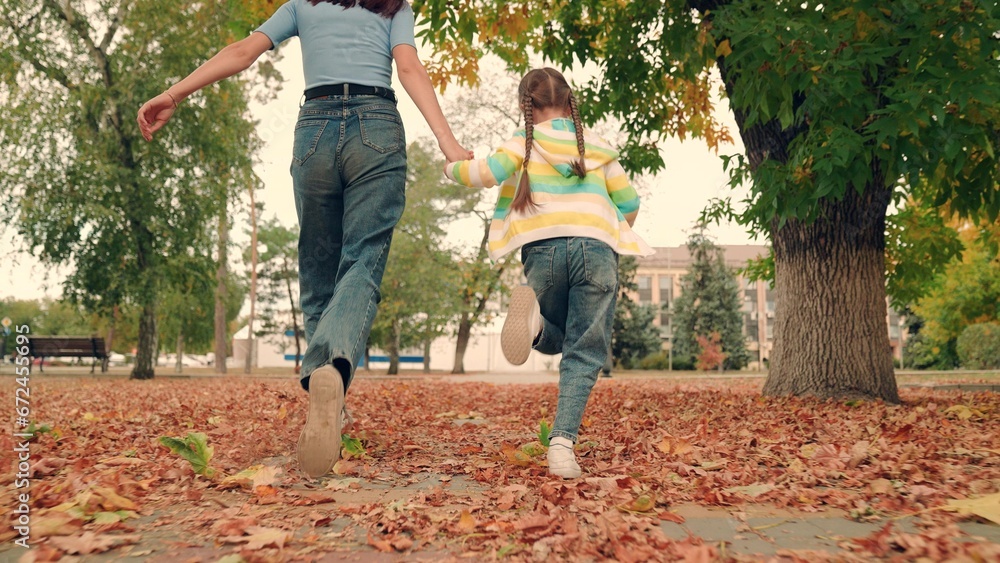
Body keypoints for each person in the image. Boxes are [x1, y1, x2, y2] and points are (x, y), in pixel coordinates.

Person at [137, 0, 470, 479]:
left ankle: (325, 387)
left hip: (314, 127)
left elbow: (242, 51)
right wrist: (448, 143)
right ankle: (332, 367)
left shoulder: (301, 5)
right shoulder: (393, 6)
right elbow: (410, 67)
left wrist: (174, 93)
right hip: (376, 125)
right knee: (363, 260)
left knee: (317, 268)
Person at [443, 68, 654, 478]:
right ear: (570, 101)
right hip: (596, 251)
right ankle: (561, 447)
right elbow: (629, 204)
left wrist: (451, 167)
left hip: (543, 252)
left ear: (526, 105)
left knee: (554, 334)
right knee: (584, 349)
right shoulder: (597, 148)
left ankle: (536, 323)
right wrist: (602, 217)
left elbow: (482, 174)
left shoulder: (522, 144)